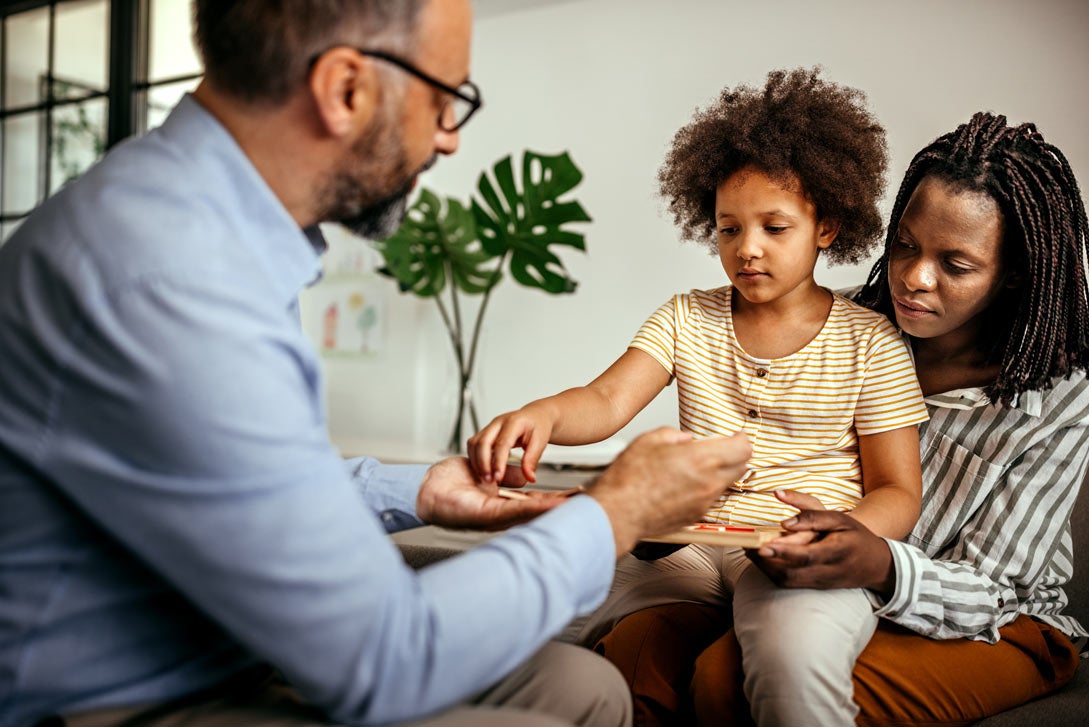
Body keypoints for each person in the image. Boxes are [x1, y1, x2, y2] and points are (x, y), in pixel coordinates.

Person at [0, 2, 754, 726]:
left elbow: (237, 483)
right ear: (345, 89)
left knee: (580, 684)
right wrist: (614, 512)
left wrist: (419, 487)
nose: (451, 138)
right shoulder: (172, 276)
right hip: (119, 695)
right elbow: (383, 657)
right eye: (445, 101)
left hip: (228, 636)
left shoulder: (206, 221)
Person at [595, 111, 1089, 726]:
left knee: (729, 682)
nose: (914, 277)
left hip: (991, 621)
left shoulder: (1063, 399)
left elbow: (996, 589)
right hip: (805, 578)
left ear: (1015, 274)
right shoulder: (840, 325)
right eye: (905, 244)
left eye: (955, 266)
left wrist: (879, 562)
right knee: (635, 656)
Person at [467, 68, 928, 726]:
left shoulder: (870, 342)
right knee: (578, 632)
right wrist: (539, 414)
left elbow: (898, 491)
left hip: (794, 551)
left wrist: (844, 534)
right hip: (688, 543)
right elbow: (604, 399)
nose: (747, 249)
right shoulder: (686, 316)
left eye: (774, 227)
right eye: (728, 228)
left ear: (825, 227)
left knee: (791, 663)